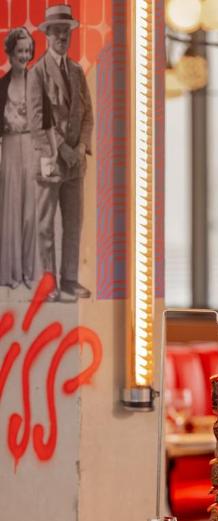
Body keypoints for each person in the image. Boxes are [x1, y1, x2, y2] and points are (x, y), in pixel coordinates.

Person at [29, 4, 93, 301]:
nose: (61, 38)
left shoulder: (78, 71)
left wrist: (80, 146)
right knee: (46, 225)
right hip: (51, 161)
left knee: (73, 224)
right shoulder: (37, 73)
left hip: (75, 164)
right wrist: (63, 149)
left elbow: (88, 114)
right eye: (56, 32)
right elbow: (38, 120)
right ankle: (47, 283)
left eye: (65, 32)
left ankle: (68, 279)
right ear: (47, 35)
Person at [0, 27, 38, 290]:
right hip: (10, 147)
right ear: (10, 53)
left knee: (30, 211)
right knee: (11, 207)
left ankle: (29, 272)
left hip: (32, 147)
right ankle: (11, 273)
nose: (23, 56)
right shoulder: (1, 86)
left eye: (27, 51)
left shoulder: (37, 83)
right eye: (19, 51)